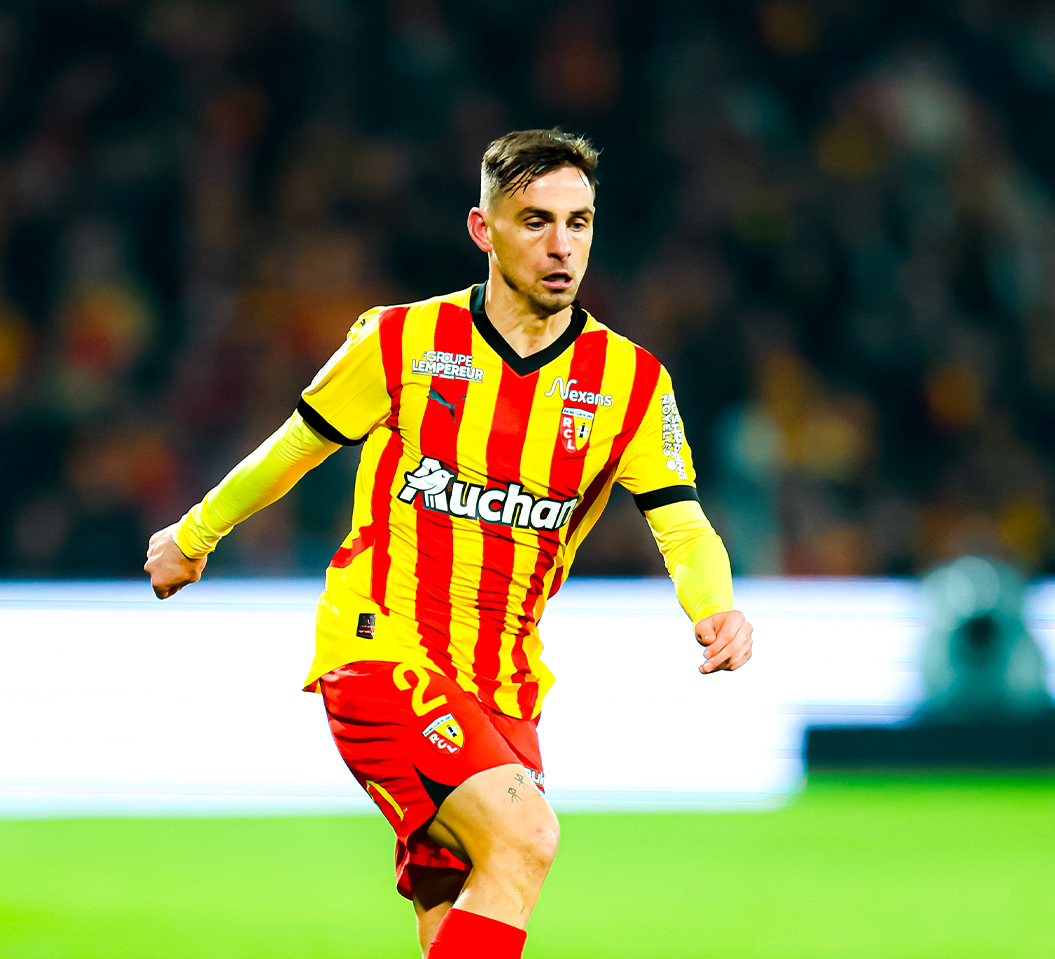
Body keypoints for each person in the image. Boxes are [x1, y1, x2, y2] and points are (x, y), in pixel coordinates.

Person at [145, 129, 752, 959]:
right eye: (535, 221)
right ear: (483, 229)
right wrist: (193, 535)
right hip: (382, 647)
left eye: (578, 223)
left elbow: (681, 522)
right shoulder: (402, 341)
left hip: (503, 685)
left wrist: (716, 607)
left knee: (465, 904)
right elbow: (294, 447)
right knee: (527, 837)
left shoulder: (632, 382)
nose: (562, 246)